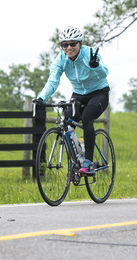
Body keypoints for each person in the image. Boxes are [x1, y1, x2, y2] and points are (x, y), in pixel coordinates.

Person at [35, 26, 110, 175]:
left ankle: (88, 161)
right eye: (65, 44)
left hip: (99, 93)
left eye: (73, 44)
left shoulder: (90, 54)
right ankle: (78, 155)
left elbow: (104, 73)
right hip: (78, 95)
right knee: (67, 122)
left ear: (80, 44)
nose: (69, 47)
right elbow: (53, 81)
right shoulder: (61, 59)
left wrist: (95, 66)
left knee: (87, 117)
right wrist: (41, 98)